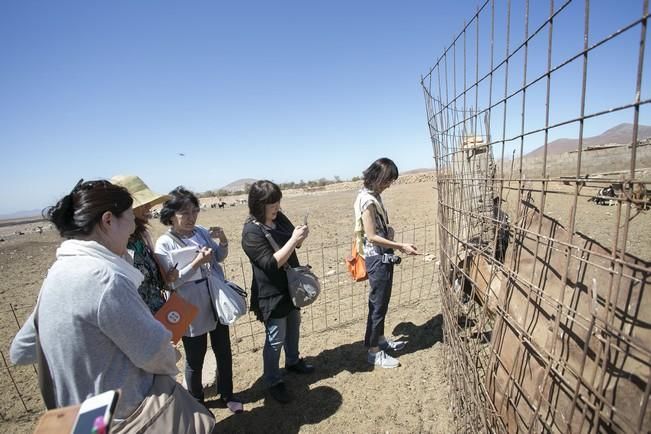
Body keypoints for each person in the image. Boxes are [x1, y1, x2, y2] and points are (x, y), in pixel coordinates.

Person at [9, 179, 214, 432]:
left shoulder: (57, 273)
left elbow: (21, 350)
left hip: (84, 420)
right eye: (130, 218)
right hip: (127, 417)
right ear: (108, 220)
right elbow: (154, 352)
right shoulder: (105, 278)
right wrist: (171, 355)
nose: (132, 229)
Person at [155, 187, 243, 414]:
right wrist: (195, 263)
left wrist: (222, 240)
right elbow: (171, 283)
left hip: (215, 302)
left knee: (224, 351)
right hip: (189, 309)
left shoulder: (201, 232)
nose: (191, 217)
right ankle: (197, 404)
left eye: (195, 211)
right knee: (195, 359)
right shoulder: (165, 244)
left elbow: (219, 258)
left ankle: (228, 394)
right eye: (185, 213)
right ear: (171, 215)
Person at [241, 180, 315, 404]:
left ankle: (293, 361)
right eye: (272, 203)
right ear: (258, 204)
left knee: (294, 326)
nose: (277, 207)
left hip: (291, 287)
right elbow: (271, 264)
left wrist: (299, 238)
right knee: (275, 339)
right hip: (271, 293)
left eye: (278, 201)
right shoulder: (251, 232)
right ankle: (273, 380)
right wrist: (293, 240)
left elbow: (293, 245)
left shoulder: (279, 218)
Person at [354, 158, 419, 368]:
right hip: (377, 258)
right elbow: (371, 236)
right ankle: (373, 352)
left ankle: (379, 340)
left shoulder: (373, 196)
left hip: (382, 255)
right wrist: (400, 245)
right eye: (387, 180)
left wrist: (388, 234)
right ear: (377, 177)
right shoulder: (367, 201)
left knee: (381, 303)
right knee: (377, 306)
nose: (389, 185)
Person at [111, 175, 177, 314]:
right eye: (143, 203)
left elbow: (153, 283)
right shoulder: (114, 248)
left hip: (158, 319)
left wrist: (166, 278)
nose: (149, 206)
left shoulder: (142, 237)